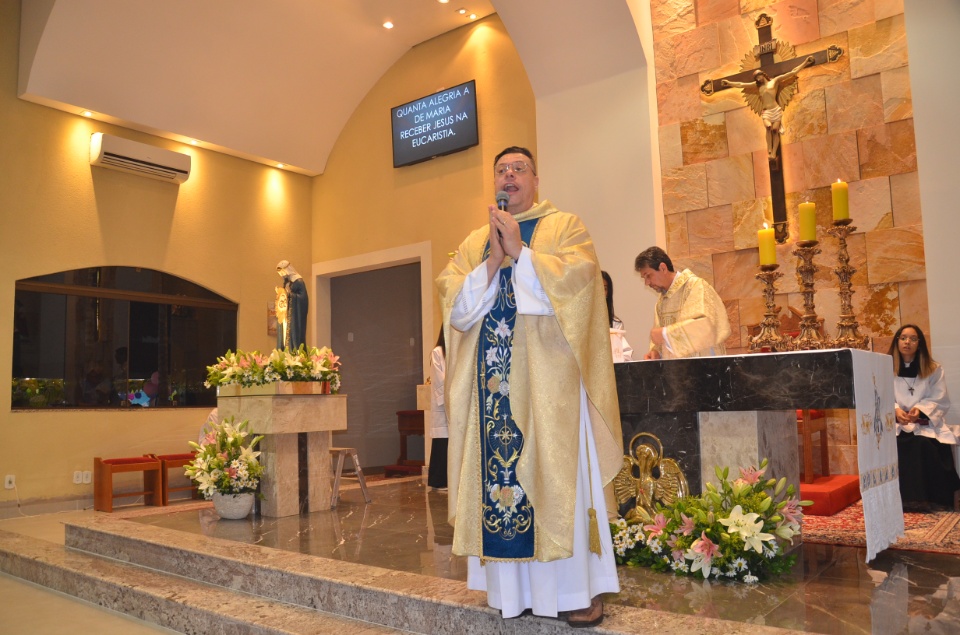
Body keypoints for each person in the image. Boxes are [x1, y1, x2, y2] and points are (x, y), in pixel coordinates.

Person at [437, 146, 623, 627]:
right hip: (492, 388)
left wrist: (521, 254)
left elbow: (582, 284)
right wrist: (492, 262)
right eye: (501, 169)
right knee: (500, 485)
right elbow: (455, 306)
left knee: (558, 479)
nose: (510, 175)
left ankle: (577, 591)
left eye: (519, 168)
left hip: (550, 388)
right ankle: (510, 592)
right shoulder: (476, 240)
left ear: (536, 179)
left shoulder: (565, 227)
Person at [889, 324, 960, 509]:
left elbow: (940, 399)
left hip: (925, 425)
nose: (907, 342)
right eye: (903, 337)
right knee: (899, 444)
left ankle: (929, 500)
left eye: (913, 339)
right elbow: (879, 396)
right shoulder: (885, 368)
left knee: (923, 444)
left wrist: (919, 410)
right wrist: (895, 410)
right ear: (897, 341)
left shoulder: (933, 369)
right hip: (896, 425)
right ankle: (899, 502)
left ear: (919, 344)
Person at [635, 246, 731, 360]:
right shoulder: (661, 302)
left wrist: (665, 334)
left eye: (648, 276)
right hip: (678, 372)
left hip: (704, 367)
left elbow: (706, 327)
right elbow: (659, 340)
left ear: (663, 268)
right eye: (644, 278)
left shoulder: (696, 287)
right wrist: (656, 352)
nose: (646, 283)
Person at [721, 56, 815, 160]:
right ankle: (769, 149)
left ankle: (773, 153)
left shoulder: (774, 81)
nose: (757, 79)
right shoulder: (757, 86)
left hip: (776, 110)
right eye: (756, 78)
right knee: (768, 126)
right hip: (766, 111)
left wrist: (805, 63)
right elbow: (741, 84)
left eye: (758, 76)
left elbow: (792, 72)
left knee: (775, 130)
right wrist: (729, 83)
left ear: (763, 74)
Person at [427, 328, 448, 490]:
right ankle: (439, 480)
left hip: (456, 402)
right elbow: (439, 379)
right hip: (445, 403)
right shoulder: (438, 352)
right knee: (442, 441)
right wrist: (449, 398)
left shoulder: (458, 350)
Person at [276, 260, 308, 350]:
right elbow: (284, 295)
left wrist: (290, 295)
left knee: (293, 334)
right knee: (284, 334)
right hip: (286, 313)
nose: (282, 275)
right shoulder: (286, 282)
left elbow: (303, 298)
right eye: (280, 273)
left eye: (283, 272)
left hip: (295, 314)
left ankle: (293, 349)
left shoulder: (298, 281)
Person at [601, 271, 633, 362]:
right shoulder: (581, 322)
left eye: (605, 288)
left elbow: (624, 355)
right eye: (597, 287)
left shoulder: (615, 323)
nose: (601, 292)